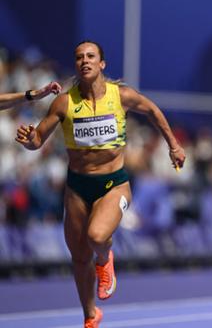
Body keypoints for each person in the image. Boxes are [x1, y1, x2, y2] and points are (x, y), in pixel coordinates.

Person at [15, 40, 186, 328]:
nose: (85, 61)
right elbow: (37, 140)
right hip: (77, 187)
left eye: (91, 56)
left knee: (96, 237)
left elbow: (153, 111)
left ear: (102, 63)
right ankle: (90, 315)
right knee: (80, 258)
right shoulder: (65, 102)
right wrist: (29, 139)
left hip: (113, 184)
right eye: (79, 57)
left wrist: (174, 145)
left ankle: (106, 259)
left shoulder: (120, 97)